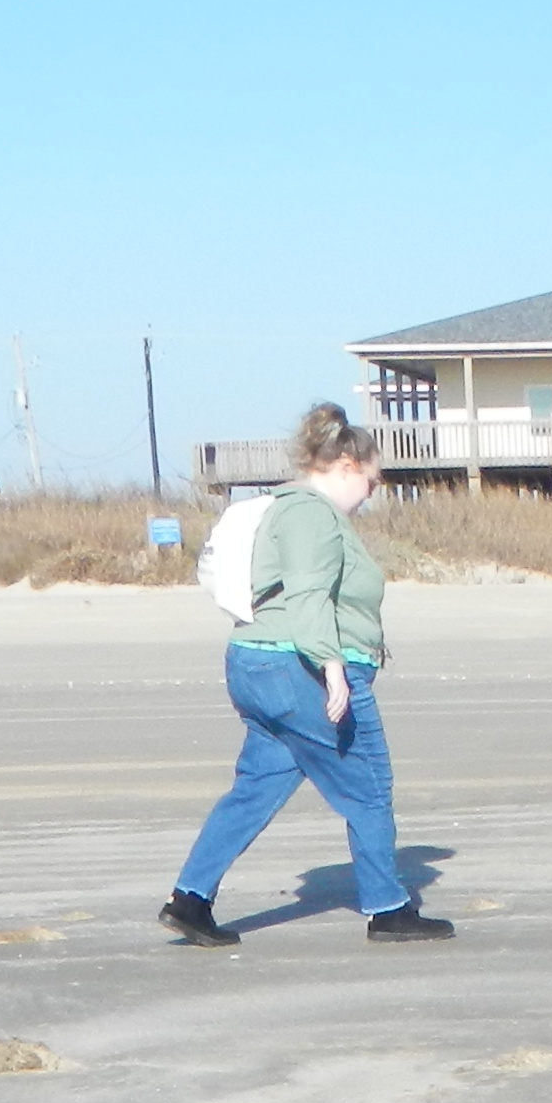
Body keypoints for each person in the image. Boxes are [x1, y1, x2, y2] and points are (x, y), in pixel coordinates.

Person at [165, 403, 450, 945]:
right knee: (368, 789)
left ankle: (191, 899)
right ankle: (388, 908)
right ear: (345, 465)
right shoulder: (310, 513)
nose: (371, 493)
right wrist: (334, 669)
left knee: (257, 787)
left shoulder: (289, 510)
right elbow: (309, 594)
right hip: (298, 669)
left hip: (261, 667)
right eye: (371, 481)